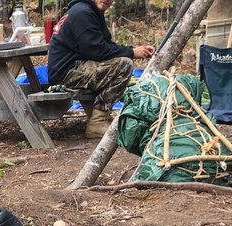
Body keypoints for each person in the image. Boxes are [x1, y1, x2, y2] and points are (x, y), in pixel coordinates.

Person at [47, 0, 155, 138]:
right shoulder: (82, 12)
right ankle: (98, 122)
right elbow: (97, 51)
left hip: (77, 67)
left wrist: (132, 50)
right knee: (123, 65)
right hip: (67, 74)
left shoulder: (91, 11)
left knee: (119, 63)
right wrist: (132, 53)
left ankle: (99, 118)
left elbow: (106, 45)